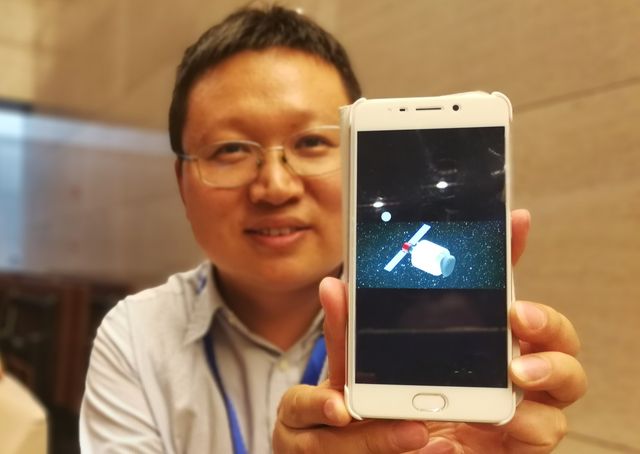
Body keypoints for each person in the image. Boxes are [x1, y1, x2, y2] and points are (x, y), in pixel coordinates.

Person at [80, 5, 587, 453]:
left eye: (311, 143)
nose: (275, 186)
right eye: (230, 149)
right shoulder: (135, 337)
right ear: (182, 181)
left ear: (358, 161)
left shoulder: (431, 322)